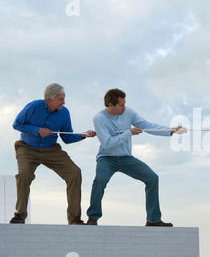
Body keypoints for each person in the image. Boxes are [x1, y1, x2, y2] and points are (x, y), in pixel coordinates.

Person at [86, 88, 186, 227]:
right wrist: (129, 133)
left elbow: (147, 125)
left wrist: (171, 130)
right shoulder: (99, 118)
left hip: (126, 158)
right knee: (100, 180)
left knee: (152, 178)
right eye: (121, 105)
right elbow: (107, 144)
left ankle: (153, 220)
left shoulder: (129, 112)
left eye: (124, 104)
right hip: (107, 158)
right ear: (110, 105)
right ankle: (93, 218)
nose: (124, 107)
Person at [10, 83, 96, 225]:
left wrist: (84, 135)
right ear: (49, 100)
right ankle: (19, 215)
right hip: (27, 148)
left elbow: (67, 138)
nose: (64, 102)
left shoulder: (64, 113)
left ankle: (74, 219)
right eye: (61, 99)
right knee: (24, 174)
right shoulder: (33, 106)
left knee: (75, 173)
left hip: (51, 149)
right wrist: (38, 130)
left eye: (64, 98)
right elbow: (17, 124)